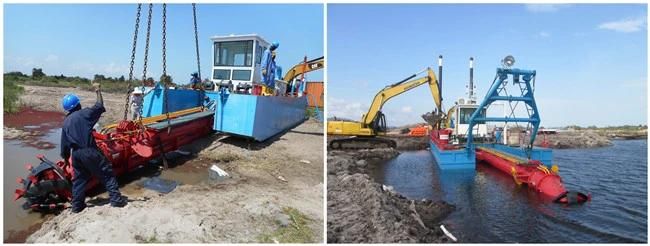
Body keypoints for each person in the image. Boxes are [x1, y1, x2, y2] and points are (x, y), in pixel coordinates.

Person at [60, 83, 127, 213]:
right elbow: (99, 106)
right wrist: (98, 91)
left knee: (79, 180)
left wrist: (67, 159)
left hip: (76, 155)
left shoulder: (66, 122)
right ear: (78, 104)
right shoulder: (84, 114)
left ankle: (77, 207)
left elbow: (64, 145)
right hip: (89, 150)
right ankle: (116, 201)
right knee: (107, 173)